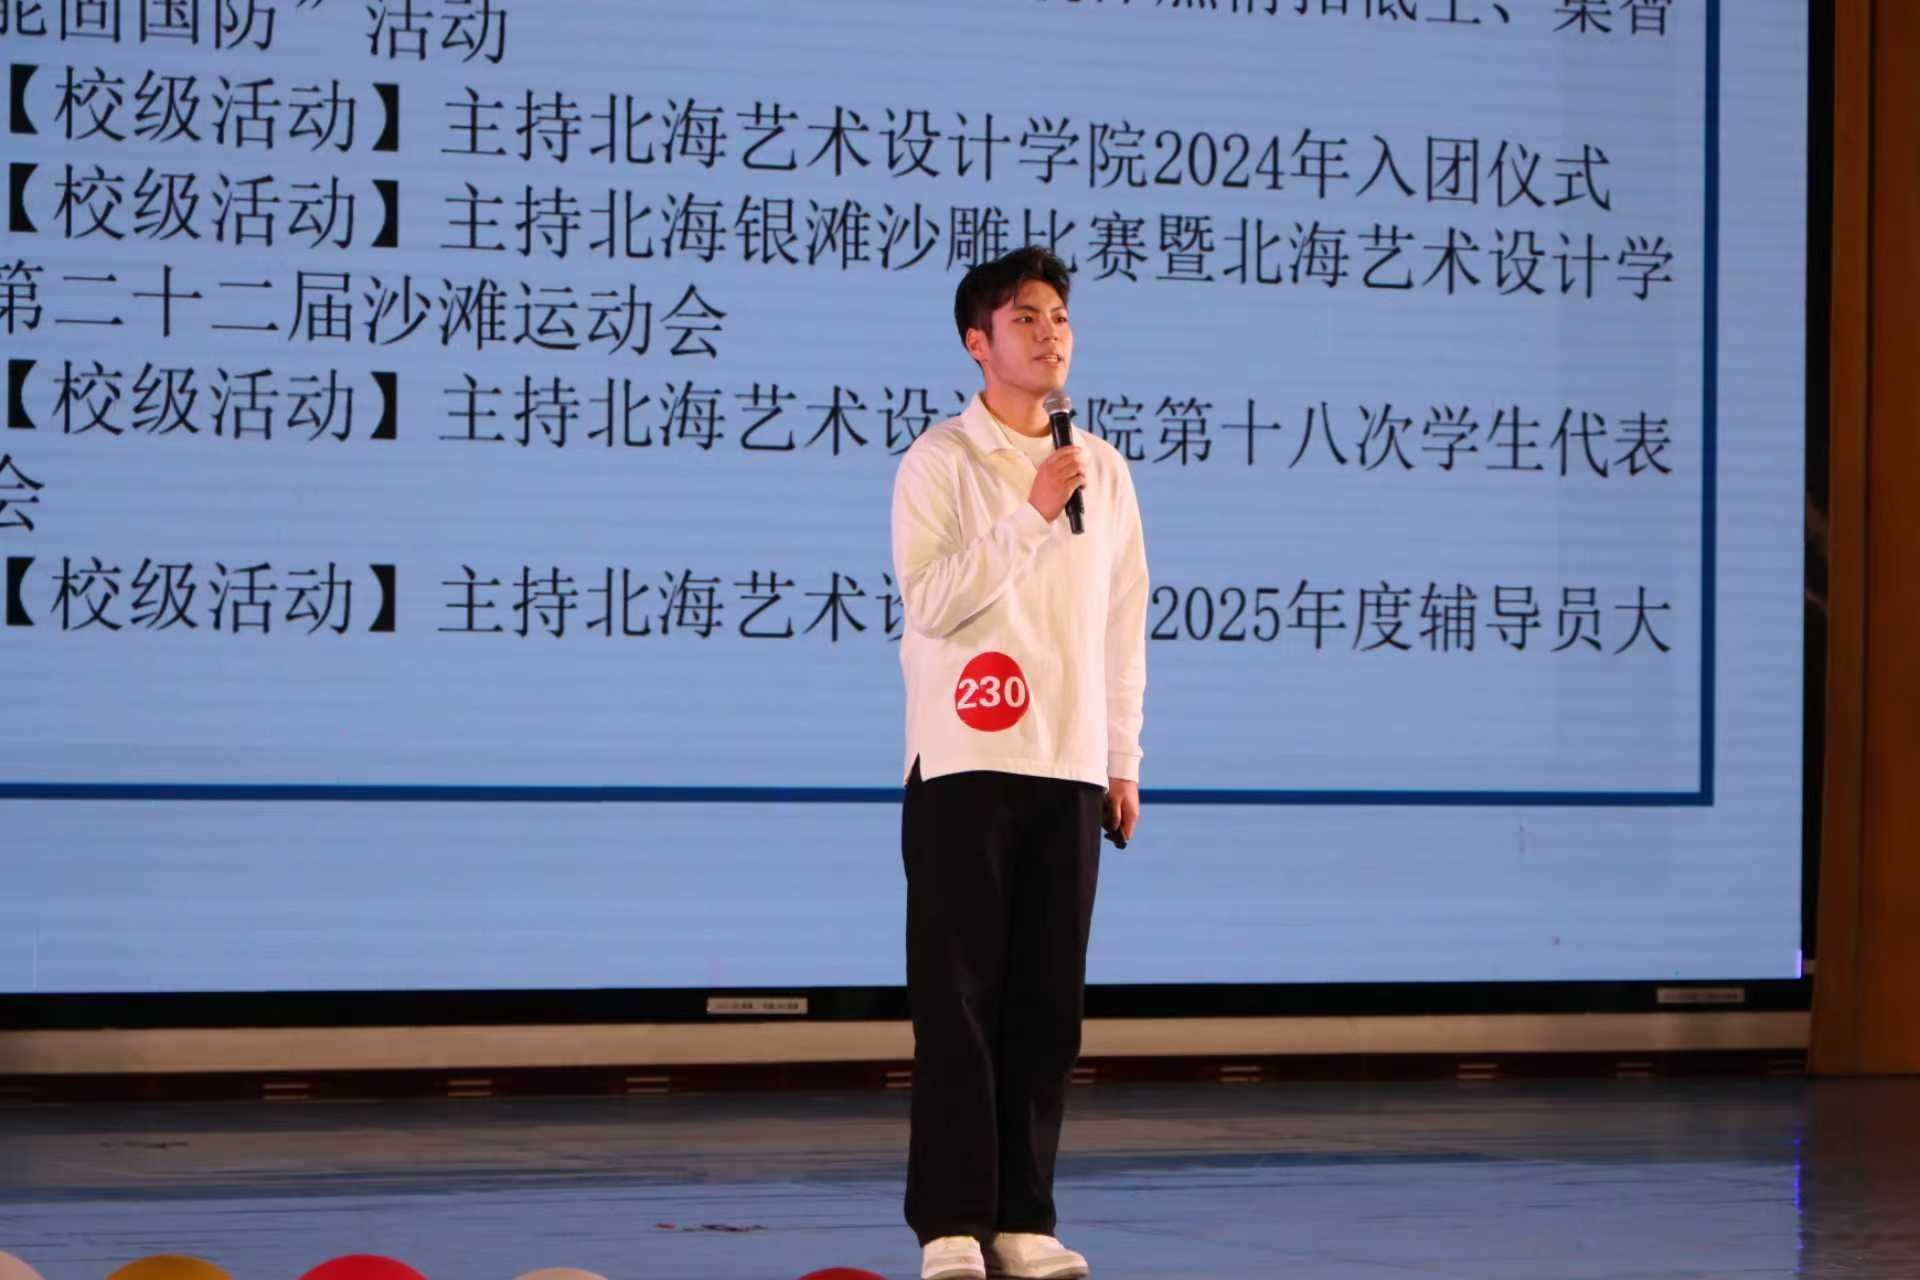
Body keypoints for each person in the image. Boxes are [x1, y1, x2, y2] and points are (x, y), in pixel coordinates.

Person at [889, 246, 1149, 1280]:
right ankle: (950, 1221)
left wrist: (1121, 755)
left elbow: (1121, 622)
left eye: (1059, 318)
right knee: (959, 1004)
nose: (1050, 335)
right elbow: (934, 600)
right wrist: (1032, 512)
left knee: (1047, 1007)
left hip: (1069, 761)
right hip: (965, 758)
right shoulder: (941, 460)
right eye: (1025, 319)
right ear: (977, 342)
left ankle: (1023, 1217)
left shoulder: (1105, 469)